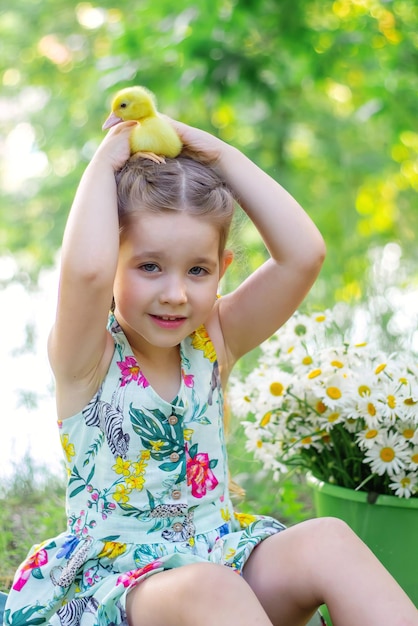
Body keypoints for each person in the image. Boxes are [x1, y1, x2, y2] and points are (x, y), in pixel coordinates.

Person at [4, 116, 417, 626]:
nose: (176, 293)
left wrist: (218, 155)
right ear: (113, 263)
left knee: (326, 539)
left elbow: (303, 254)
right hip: (120, 590)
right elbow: (84, 272)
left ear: (221, 270)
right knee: (211, 587)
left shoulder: (213, 340)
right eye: (149, 266)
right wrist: (107, 159)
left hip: (220, 558)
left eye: (196, 270)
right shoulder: (87, 357)